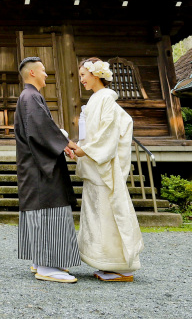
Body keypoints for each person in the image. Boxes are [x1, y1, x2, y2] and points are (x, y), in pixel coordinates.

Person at [72, 58, 144, 282]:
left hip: (102, 166)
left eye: (84, 74)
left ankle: (122, 267)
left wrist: (85, 150)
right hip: (95, 164)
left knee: (108, 215)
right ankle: (107, 263)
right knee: (98, 216)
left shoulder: (105, 99)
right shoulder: (97, 99)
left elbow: (107, 134)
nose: (81, 79)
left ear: (96, 75)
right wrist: (81, 148)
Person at [15, 56, 81, 283]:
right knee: (46, 211)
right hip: (39, 169)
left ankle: (41, 261)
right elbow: (41, 130)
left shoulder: (30, 97)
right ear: (32, 73)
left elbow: (44, 128)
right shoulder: (30, 97)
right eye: (42, 70)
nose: (46, 74)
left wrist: (61, 141)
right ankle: (45, 265)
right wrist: (64, 143)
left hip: (36, 165)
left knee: (44, 211)